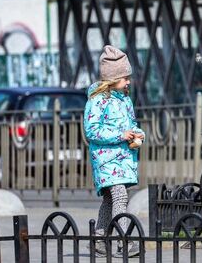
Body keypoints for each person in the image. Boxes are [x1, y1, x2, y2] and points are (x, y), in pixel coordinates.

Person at [84, 45, 145, 258]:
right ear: (113, 78)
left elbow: (131, 124)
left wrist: (137, 133)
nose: (128, 82)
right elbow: (92, 130)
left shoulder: (124, 99)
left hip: (122, 157)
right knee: (120, 196)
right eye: (125, 78)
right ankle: (123, 241)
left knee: (110, 200)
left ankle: (99, 239)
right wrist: (121, 135)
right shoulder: (97, 100)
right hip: (106, 159)